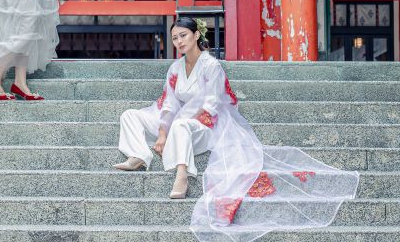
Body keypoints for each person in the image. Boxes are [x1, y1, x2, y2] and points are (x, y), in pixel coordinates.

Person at [115, 16, 359, 240]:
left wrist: (175, 125)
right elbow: (168, 102)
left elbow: (210, 106)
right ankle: (139, 155)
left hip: (204, 126)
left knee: (180, 124)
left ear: (196, 36)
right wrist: (161, 133)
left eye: (183, 36)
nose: (179, 41)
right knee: (130, 115)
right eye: (175, 37)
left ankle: (182, 175)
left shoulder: (212, 67)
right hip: (179, 122)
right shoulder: (175, 69)